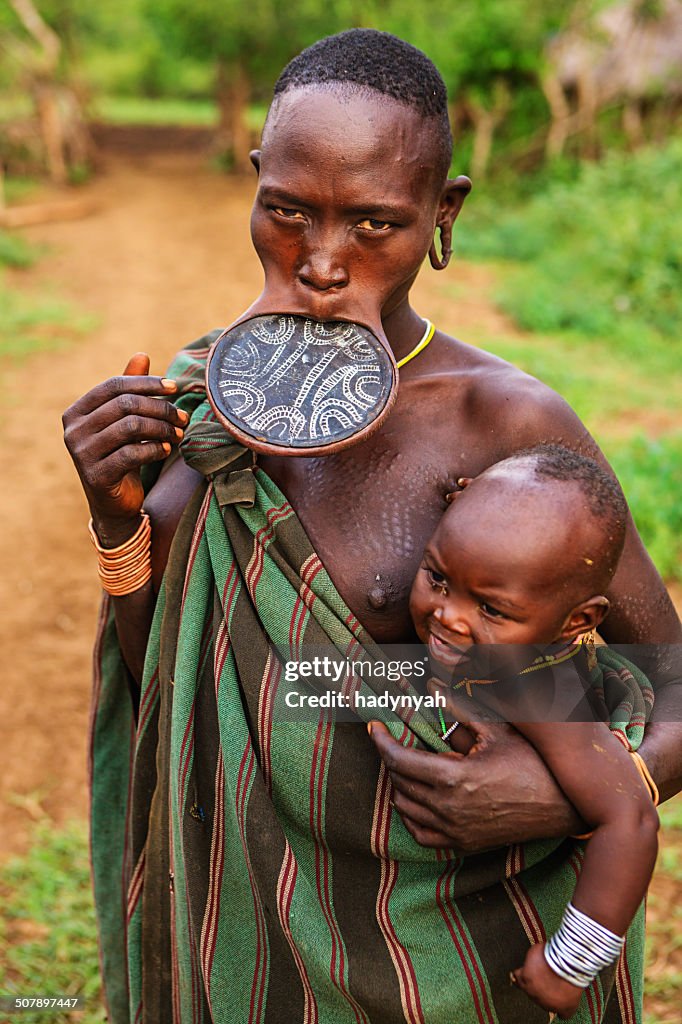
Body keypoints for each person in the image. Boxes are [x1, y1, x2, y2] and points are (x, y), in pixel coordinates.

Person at [62, 28, 681, 1024]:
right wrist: (116, 518)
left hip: (463, 957)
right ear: (257, 181)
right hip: (250, 941)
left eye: (374, 224)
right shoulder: (196, 409)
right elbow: (169, 684)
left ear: (445, 214)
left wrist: (577, 794)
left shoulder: (504, 422)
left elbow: (672, 681)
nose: (319, 261)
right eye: (288, 211)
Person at [407, 444, 660, 1019]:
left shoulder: (536, 685)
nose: (449, 616)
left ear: (577, 623)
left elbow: (631, 819)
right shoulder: (486, 638)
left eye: (492, 610)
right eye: (438, 578)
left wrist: (571, 963)